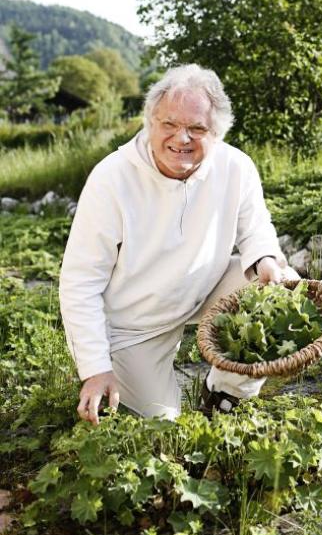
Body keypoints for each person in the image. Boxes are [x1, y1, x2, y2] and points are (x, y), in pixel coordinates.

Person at [59, 64, 296, 424]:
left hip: (202, 291)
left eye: (196, 128)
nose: (181, 138)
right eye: (168, 124)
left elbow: (256, 229)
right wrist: (95, 367)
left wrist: (265, 259)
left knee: (279, 285)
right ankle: (141, 383)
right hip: (132, 327)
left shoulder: (237, 167)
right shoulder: (112, 178)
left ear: (217, 133)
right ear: (150, 122)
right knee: (164, 428)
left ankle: (224, 395)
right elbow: (80, 281)